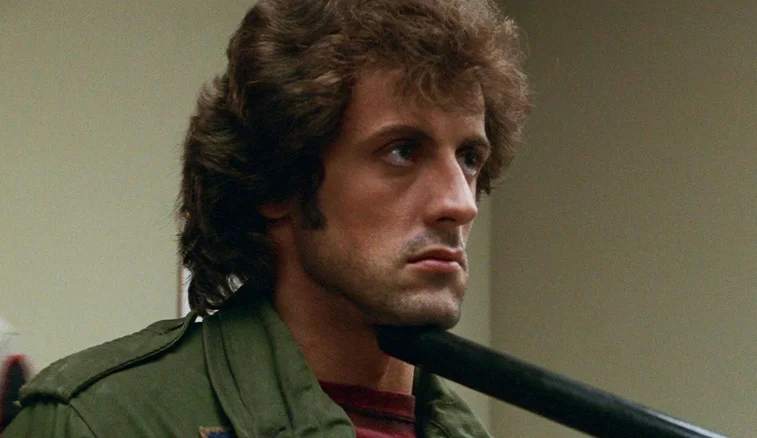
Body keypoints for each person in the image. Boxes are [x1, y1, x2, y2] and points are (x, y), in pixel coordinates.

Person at [5, 0, 529, 436]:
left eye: (469, 158)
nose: (460, 203)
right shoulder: (99, 422)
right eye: (402, 151)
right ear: (279, 183)